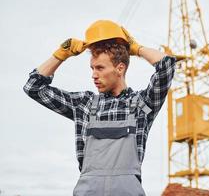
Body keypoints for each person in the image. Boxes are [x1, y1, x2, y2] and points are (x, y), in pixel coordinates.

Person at [23, 20, 176, 196]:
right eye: (92, 68)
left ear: (120, 68)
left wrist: (137, 49)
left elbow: (167, 66)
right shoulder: (84, 105)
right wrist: (60, 55)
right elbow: (33, 87)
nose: (94, 75)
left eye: (100, 68)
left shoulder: (142, 105)